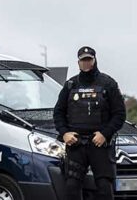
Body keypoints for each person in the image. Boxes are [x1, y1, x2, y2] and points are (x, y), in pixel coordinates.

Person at [53, 46, 126, 200]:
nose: (86, 63)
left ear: (94, 60)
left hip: (99, 144)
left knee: (104, 188)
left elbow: (120, 114)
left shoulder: (108, 84)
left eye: (89, 59)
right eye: (83, 60)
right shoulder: (70, 85)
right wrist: (64, 133)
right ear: (78, 62)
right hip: (76, 144)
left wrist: (105, 134)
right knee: (72, 187)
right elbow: (58, 112)